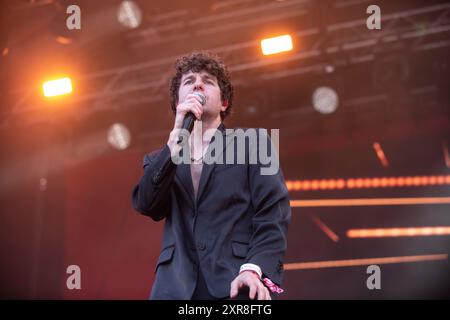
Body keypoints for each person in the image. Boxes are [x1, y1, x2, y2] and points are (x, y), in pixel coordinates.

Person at [131, 52, 291, 300]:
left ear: (224, 102)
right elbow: (147, 205)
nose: (197, 84)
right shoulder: (159, 159)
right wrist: (173, 147)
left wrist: (254, 268)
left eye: (207, 80)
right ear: (177, 102)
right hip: (173, 289)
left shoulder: (255, 143)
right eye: (189, 81)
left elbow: (273, 214)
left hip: (237, 282)